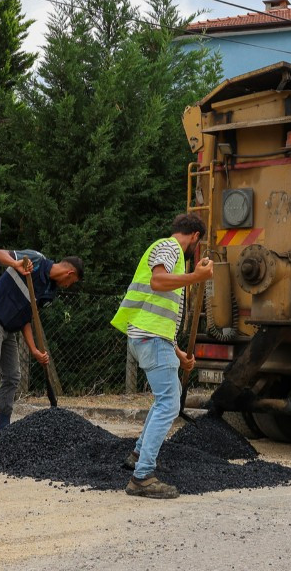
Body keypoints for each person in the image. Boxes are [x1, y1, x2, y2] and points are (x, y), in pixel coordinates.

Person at [110, 213, 213, 499]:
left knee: (164, 398)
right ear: (194, 236)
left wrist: (178, 352)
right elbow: (158, 281)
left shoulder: (167, 250)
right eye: (198, 242)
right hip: (150, 337)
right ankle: (142, 477)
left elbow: (157, 310)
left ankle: (137, 454)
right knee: (169, 403)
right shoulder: (169, 248)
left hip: (151, 337)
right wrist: (197, 277)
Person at [0, 249, 83, 447]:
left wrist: (35, 350)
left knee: (12, 376)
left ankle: (4, 431)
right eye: (73, 283)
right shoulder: (35, 260)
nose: (69, 286)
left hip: (9, 328)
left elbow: (27, 319)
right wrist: (15, 264)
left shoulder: (49, 291)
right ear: (69, 274)